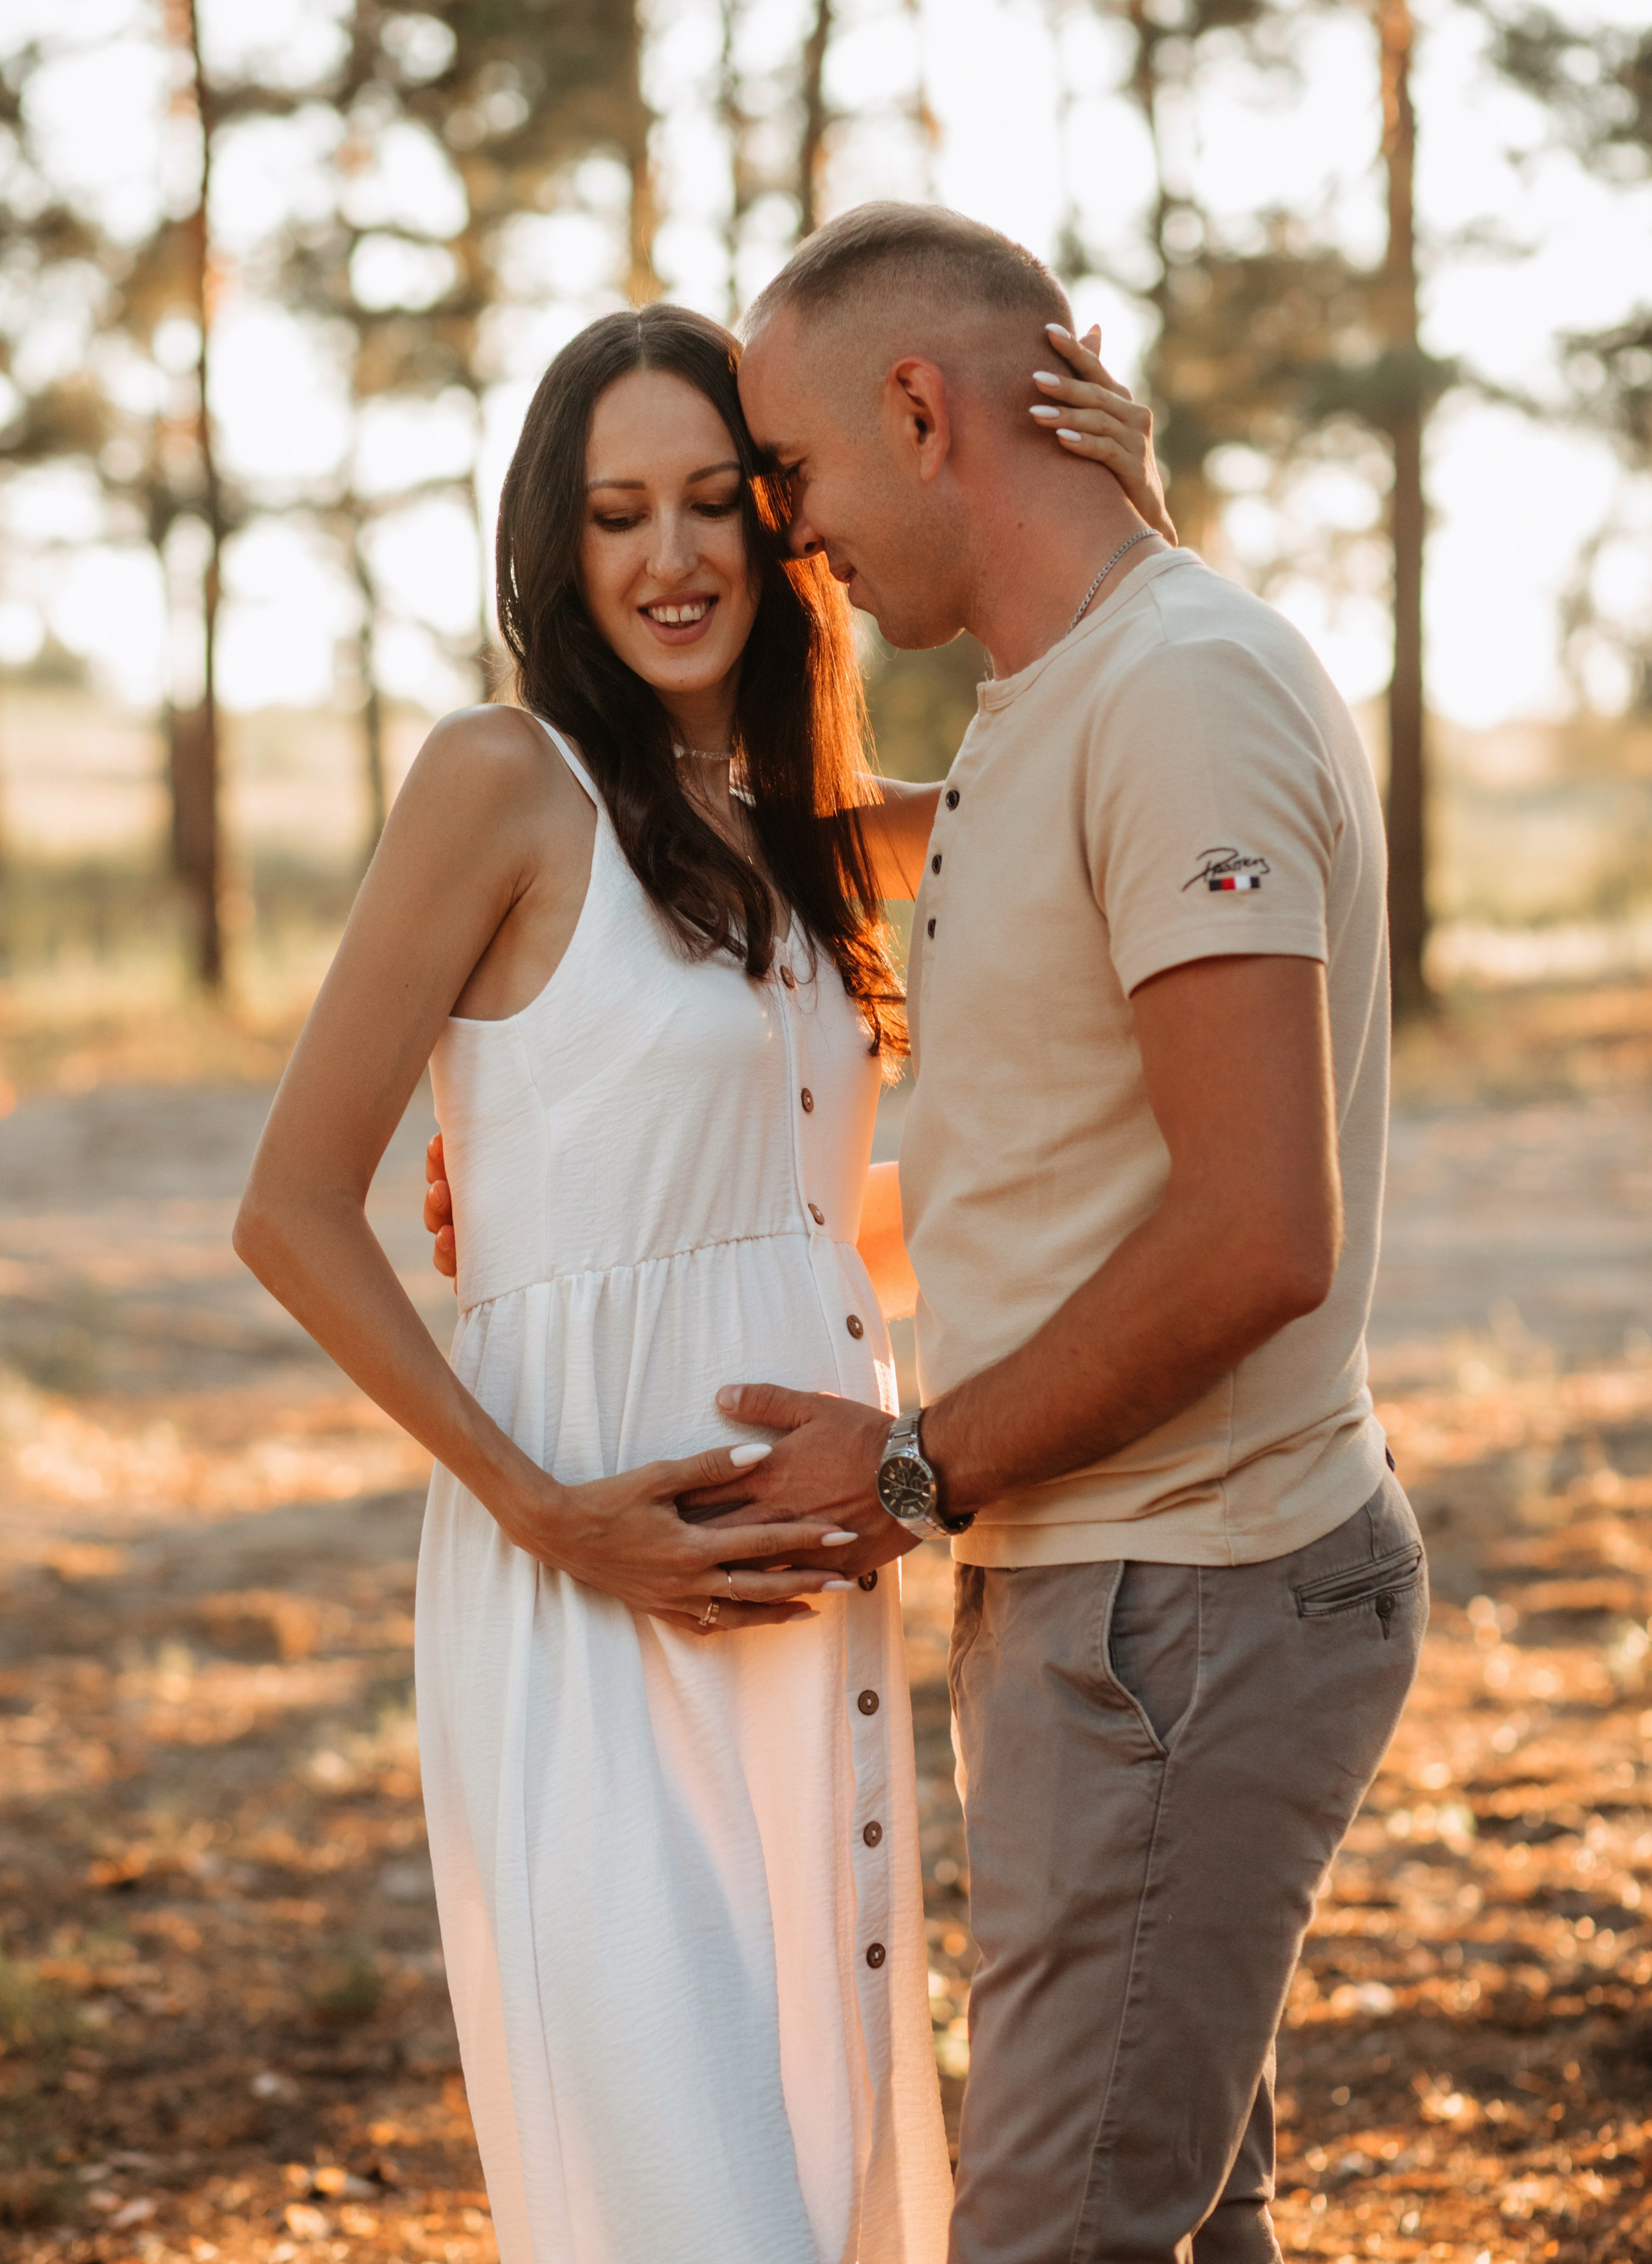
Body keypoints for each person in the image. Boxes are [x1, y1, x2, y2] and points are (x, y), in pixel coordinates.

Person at [235, 296, 1170, 2264]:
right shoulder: (500, 783)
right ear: (556, 554)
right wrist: (547, 1511)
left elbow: (1117, 726)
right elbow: (290, 1209)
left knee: (826, 2171)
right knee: (688, 2197)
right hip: (582, 1580)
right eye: (614, 515)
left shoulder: (819, 833)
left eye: (711, 505)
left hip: (804, 1600)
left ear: (776, 527)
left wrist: (1127, 500)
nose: (671, 558)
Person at [671, 202, 1428, 2264]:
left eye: (797, 476)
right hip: (1116, 1587)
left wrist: (912, 1472)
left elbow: (1261, 1231)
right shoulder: (1059, 694)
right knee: (1186, 2219)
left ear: (921, 410)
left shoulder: (1176, 691)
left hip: (1193, 1601)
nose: (785, 535)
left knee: (1055, 2234)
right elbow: (1031, 1135)